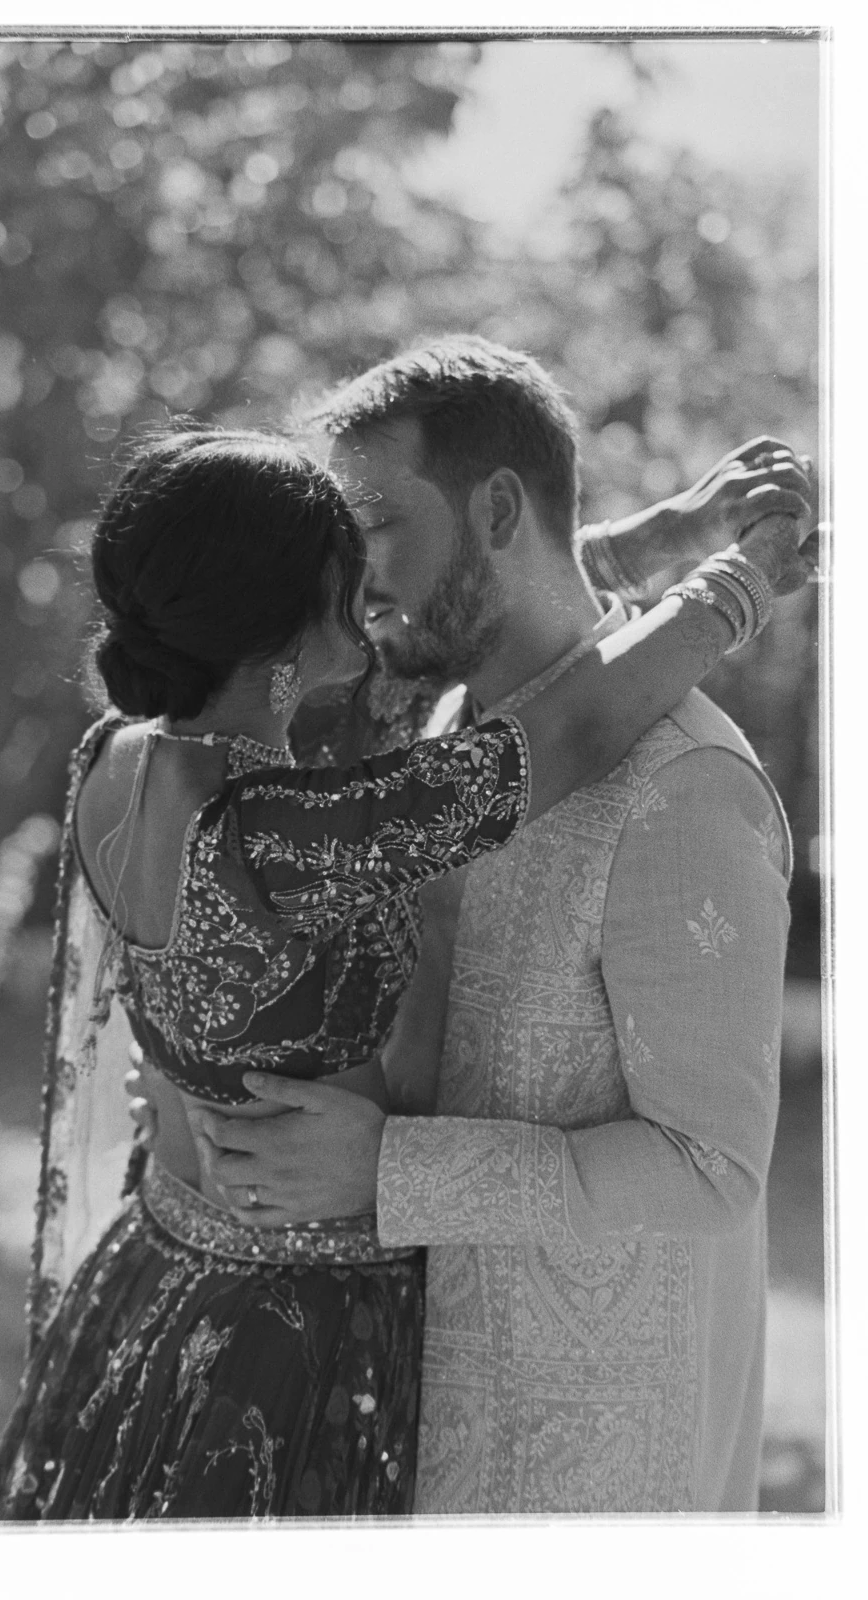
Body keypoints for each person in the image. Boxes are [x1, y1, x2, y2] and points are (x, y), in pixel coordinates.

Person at [0, 419, 811, 1522]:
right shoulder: (287, 837)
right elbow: (567, 730)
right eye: (347, 572)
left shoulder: (115, 760)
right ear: (290, 627)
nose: (373, 598)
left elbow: (489, 623)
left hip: (156, 1270)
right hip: (286, 1336)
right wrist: (745, 575)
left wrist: (653, 537)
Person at [187, 338, 815, 1514]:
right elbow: (531, 619)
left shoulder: (682, 788)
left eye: (375, 527)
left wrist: (383, 1168)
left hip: (596, 1475)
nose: (347, 579)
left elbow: (710, 1167)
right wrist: (667, 531)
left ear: (493, 510)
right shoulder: (431, 724)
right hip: (406, 1414)